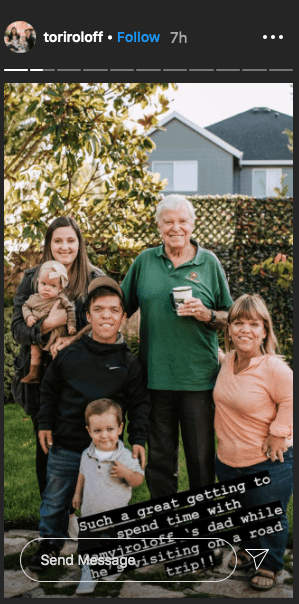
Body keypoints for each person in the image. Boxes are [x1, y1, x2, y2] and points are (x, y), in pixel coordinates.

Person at [28, 276, 150, 571]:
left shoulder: (129, 364)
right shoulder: (70, 354)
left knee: (104, 501)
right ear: (87, 315)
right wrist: (44, 424)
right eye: (98, 309)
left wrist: (138, 439)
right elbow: (49, 390)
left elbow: (139, 405)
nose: (106, 315)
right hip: (66, 443)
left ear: (123, 316)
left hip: (107, 451)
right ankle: (50, 543)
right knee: (55, 498)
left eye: (113, 309)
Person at [121, 194, 233, 499]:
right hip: (155, 379)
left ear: (193, 224)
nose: (176, 228)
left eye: (182, 221)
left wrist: (207, 314)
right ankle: (166, 530)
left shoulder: (208, 262)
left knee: (200, 462)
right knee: (160, 463)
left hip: (198, 380)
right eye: (168, 221)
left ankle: (203, 534)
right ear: (158, 226)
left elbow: (230, 316)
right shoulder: (145, 261)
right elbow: (118, 308)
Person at [11, 216, 105, 497]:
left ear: (80, 243)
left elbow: (104, 325)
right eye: (58, 241)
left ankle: (83, 516)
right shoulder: (32, 278)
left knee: (86, 445)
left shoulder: (93, 278)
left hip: (83, 376)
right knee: (47, 446)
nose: (64, 247)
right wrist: (47, 325)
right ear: (49, 245)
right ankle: (52, 524)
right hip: (43, 380)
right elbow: (18, 329)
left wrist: (72, 338)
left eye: (70, 240)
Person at [213, 293, 293, 591]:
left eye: (253, 324)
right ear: (229, 328)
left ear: (264, 330)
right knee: (243, 512)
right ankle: (249, 549)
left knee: (268, 514)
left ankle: (270, 564)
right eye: (237, 323)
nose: (244, 329)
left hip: (268, 461)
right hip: (229, 460)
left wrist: (279, 430)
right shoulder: (228, 360)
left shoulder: (273, 368)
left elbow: (291, 399)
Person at [73, 399, 144, 594]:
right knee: (87, 543)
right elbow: (82, 474)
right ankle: (88, 570)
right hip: (90, 511)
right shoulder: (87, 454)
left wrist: (127, 474)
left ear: (120, 428)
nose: (104, 435)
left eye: (110, 429)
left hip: (117, 513)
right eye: (97, 431)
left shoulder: (126, 456)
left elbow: (138, 479)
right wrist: (77, 494)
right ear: (89, 431)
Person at [21, 261, 76, 384]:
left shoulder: (61, 298)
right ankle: (34, 373)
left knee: (56, 351)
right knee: (35, 352)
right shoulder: (33, 298)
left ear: (60, 288)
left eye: (53, 286)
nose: (47, 288)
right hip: (39, 333)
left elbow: (70, 310)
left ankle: (58, 375)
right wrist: (29, 317)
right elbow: (25, 307)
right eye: (43, 284)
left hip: (57, 334)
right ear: (38, 282)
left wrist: (71, 325)